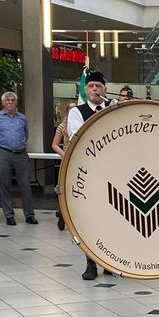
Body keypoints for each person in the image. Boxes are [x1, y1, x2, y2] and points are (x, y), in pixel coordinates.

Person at [67, 70, 109, 280]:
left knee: (111, 217)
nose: (94, 89)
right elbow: (78, 136)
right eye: (91, 86)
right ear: (85, 89)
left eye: (98, 86)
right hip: (88, 173)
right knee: (90, 219)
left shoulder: (112, 109)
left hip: (112, 171)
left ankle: (110, 261)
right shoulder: (77, 112)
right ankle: (91, 262)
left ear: (105, 90)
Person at [0, 91, 37, 227]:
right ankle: (9, 215)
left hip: (21, 154)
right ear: (3, 102)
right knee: (5, 185)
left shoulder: (22, 118)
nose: (10, 102)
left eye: (12, 100)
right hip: (4, 154)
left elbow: (26, 135)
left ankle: (30, 215)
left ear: (16, 102)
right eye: (7, 100)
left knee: (25, 185)